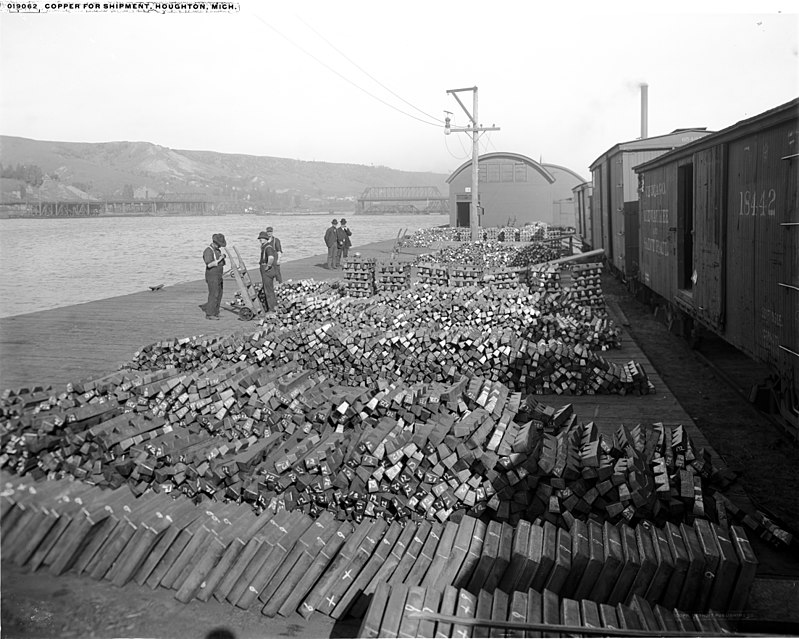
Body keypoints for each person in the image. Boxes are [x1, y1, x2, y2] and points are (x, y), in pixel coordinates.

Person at [201, 233, 226, 320]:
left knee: (219, 293)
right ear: (215, 243)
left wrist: (222, 258)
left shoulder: (218, 250)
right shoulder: (208, 251)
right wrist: (219, 259)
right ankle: (210, 314)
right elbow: (209, 265)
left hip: (218, 275)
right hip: (212, 275)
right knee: (213, 294)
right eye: (219, 244)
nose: (220, 246)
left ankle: (215, 312)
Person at [258, 230, 278, 313]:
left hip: (267, 270)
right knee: (267, 289)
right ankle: (270, 307)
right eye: (259, 239)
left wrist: (268, 266)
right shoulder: (265, 246)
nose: (260, 240)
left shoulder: (268, 247)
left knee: (268, 290)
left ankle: (272, 308)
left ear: (266, 239)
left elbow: (271, 258)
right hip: (265, 269)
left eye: (261, 238)